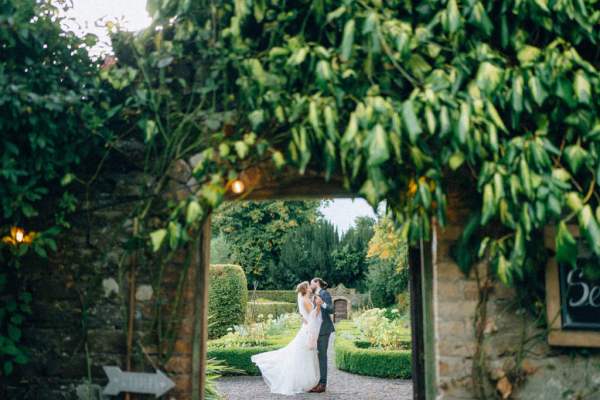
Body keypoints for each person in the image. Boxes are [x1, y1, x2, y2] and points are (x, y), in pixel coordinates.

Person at [251, 281, 323, 395]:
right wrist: (318, 306)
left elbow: (305, 315)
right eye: (308, 286)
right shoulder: (306, 300)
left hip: (305, 328)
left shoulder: (303, 299)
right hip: (307, 330)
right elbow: (313, 315)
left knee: (301, 355)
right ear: (305, 289)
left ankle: (302, 381)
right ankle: (304, 382)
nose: (310, 287)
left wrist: (306, 315)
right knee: (305, 356)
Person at [308, 277, 335, 393]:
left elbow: (331, 309)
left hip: (324, 330)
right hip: (316, 330)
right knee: (316, 356)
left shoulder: (325, 293)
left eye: (311, 283)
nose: (310, 285)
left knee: (322, 356)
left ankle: (322, 385)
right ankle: (317, 382)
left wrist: (322, 303)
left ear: (317, 283)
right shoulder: (313, 295)